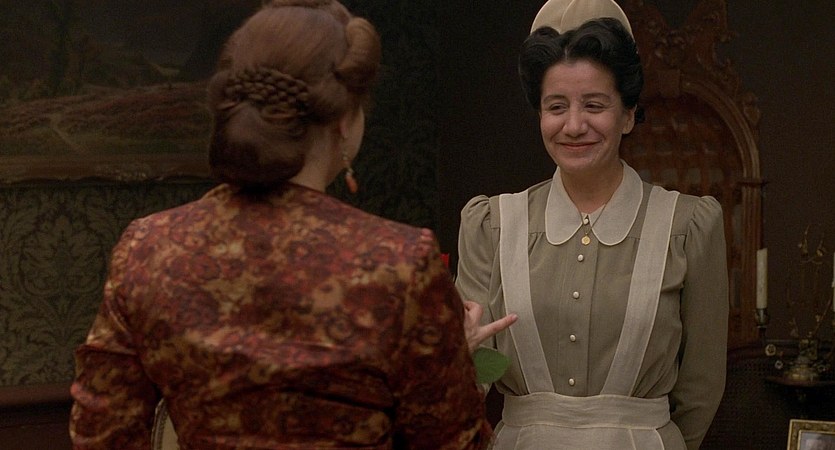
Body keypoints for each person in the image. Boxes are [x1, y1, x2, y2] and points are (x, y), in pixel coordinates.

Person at [69, 1, 499, 448]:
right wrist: (450, 355)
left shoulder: (149, 248)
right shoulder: (400, 263)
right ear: (345, 122)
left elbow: (102, 434)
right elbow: (452, 443)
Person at [454, 1, 729, 449]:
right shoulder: (492, 225)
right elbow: (470, 370)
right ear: (539, 115)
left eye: (594, 105)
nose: (574, 125)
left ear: (628, 114)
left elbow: (702, 386)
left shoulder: (686, 226)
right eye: (556, 106)